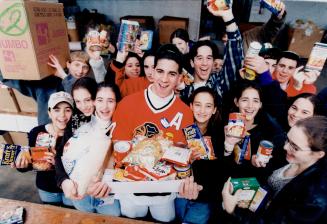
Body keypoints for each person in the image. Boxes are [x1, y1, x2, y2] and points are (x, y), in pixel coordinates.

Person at [111, 44, 194, 222]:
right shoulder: (127, 103)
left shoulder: (185, 112)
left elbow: (182, 155)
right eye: (160, 71)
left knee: (164, 219)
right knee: (132, 218)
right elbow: (119, 147)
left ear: (180, 77)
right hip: (131, 186)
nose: (164, 79)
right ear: (152, 72)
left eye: (172, 74)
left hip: (165, 188)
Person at [220, 116, 327, 223]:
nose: (285, 147)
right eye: (288, 140)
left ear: (319, 154)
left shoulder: (314, 198)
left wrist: (231, 210)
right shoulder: (291, 159)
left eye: (295, 147)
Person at [57, 82, 121, 215]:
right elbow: (61, 154)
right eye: (100, 100)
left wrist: (108, 180)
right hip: (80, 191)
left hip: (108, 192)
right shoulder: (77, 121)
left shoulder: (122, 125)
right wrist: (63, 181)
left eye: (110, 101)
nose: (104, 106)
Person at [14, 91, 74, 207]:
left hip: (70, 187)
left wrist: (58, 160)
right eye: (56, 110)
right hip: (46, 188)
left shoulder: (76, 135)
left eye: (67, 110)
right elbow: (32, 163)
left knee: (71, 216)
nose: (62, 115)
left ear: (72, 112)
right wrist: (22, 165)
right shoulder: (36, 132)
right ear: (49, 112)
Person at [175, 86, 224, 224]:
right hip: (179, 193)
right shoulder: (181, 129)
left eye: (208, 106)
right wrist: (186, 159)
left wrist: (201, 189)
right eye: (197, 105)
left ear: (214, 109)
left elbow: (220, 175)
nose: (202, 111)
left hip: (204, 199)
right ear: (190, 106)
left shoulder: (221, 135)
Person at [180, 4, 244, 106]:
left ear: (213, 61)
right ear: (192, 63)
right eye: (199, 58)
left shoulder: (219, 84)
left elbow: (234, 57)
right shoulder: (183, 88)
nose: (204, 63)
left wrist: (228, 18)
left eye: (209, 58)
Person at [223, 81, 286, 184]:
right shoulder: (226, 123)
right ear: (236, 101)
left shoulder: (270, 131)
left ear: (260, 104)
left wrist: (257, 163)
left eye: (255, 101)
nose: (250, 106)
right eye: (245, 100)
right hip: (225, 180)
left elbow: (271, 170)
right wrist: (228, 147)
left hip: (249, 185)